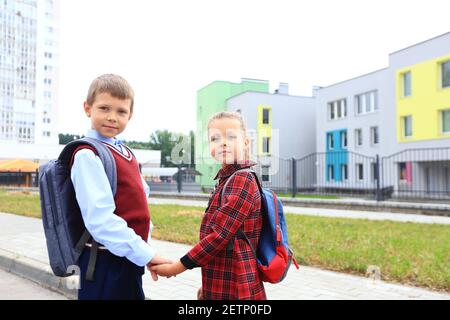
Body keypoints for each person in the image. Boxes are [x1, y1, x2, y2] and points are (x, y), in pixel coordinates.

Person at [71, 74, 170, 300]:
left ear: (130, 115)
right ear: (88, 108)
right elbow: (100, 220)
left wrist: (144, 251)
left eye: (121, 111)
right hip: (104, 262)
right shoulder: (88, 154)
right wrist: (146, 254)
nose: (112, 117)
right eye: (104, 108)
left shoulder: (125, 153)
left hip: (127, 256)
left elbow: (140, 205)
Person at [151, 111, 266, 300]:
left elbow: (219, 236)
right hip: (222, 278)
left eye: (231, 136)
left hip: (236, 284)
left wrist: (176, 267)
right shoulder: (227, 178)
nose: (222, 142)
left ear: (246, 143)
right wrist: (208, 285)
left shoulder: (242, 179)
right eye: (214, 138)